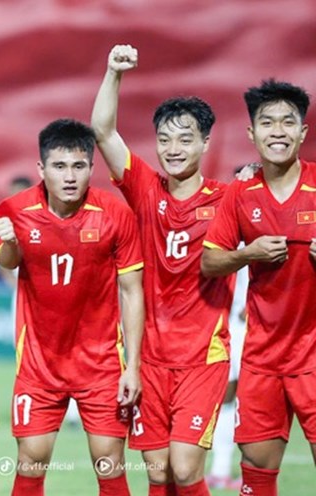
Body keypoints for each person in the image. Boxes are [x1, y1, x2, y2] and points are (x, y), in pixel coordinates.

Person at [90, 45, 234, 496]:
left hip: (202, 358)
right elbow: (102, 130)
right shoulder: (145, 188)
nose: (173, 149)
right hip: (148, 358)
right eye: (165, 139)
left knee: (186, 469)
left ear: (205, 143)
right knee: (158, 473)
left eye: (185, 139)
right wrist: (113, 72)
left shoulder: (228, 199)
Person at [0, 119, 143, 496]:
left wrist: (133, 366)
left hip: (101, 364)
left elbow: (132, 291)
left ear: (92, 167)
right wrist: (10, 243)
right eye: (59, 166)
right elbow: (8, 262)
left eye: (78, 166)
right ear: (41, 169)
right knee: (30, 462)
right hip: (38, 365)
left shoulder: (115, 214)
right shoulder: (14, 209)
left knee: (109, 463)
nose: (69, 176)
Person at [202, 79, 316, 496]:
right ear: (252, 133)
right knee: (256, 469)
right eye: (267, 123)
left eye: (288, 122)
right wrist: (248, 254)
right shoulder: (240, 193)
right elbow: (210, 261)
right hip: (262, 357)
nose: (278, 131)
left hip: (314, 353)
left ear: (303, 132)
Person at [206, 262, 248, 490]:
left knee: (249, 398)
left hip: (246, 325)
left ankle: (248, 471)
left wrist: (253, 303)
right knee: (224, 397)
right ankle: (220, 470)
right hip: (221, 322)